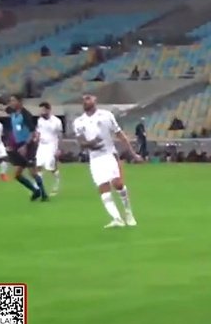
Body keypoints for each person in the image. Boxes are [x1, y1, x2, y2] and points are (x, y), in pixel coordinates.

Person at [73, 94, 142, 228]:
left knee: (117, 183)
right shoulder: (79, 121)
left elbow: (119, 134)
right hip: (94, 159)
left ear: (95, 100)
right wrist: (91, 144)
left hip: (109, 155)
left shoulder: (106, 115)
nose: (85, 101)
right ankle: (117, 218)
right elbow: (81, 142)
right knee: (103, 189)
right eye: (84, 99)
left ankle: (128, 212)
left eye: (89, 98)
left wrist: (133, 153)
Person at [5, 95, 47, 201]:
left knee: (32, 171)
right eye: (10, 101)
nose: (11, 103)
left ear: (20, 102)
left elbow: (32, 132)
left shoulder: (25, 114)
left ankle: (44, 194)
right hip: (18, 146)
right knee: (17, 174)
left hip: (28, 145)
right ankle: (35, 191)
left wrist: (25, 146)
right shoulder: (13, 114)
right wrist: (12, 144)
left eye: (13, 100)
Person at [35, 102, 63, 195]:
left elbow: (60, 135)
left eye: (43, 110)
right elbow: (38, 132)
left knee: (50, 167)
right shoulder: (40, 120)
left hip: (52, 145)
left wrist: (59, 149)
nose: (41, 112)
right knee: (38, 165)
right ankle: (38, 187)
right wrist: (36, 139)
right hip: (41, 145)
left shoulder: (56, 121)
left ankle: (56, 184)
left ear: (48, 110)